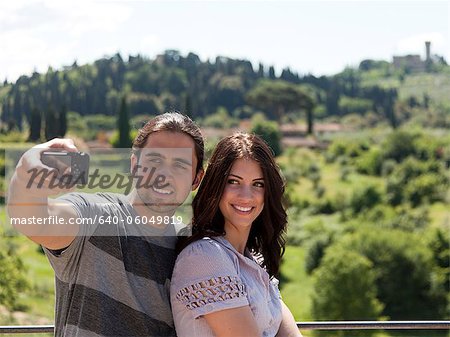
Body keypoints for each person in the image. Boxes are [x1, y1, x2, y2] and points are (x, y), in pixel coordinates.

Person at [7, 112, 205, 337]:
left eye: (179, 165)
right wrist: (27, 174)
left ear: (196, 180)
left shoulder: (191, 249)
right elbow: (35, 220)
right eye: (154, 160)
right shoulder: (97, 216)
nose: (163, 174)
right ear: (134, 164)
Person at [171, 132, 302, 337]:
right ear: (216, 186)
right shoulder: (203, 257)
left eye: (258, 184)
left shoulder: (255, 262)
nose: (246, 196)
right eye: (234, 181)